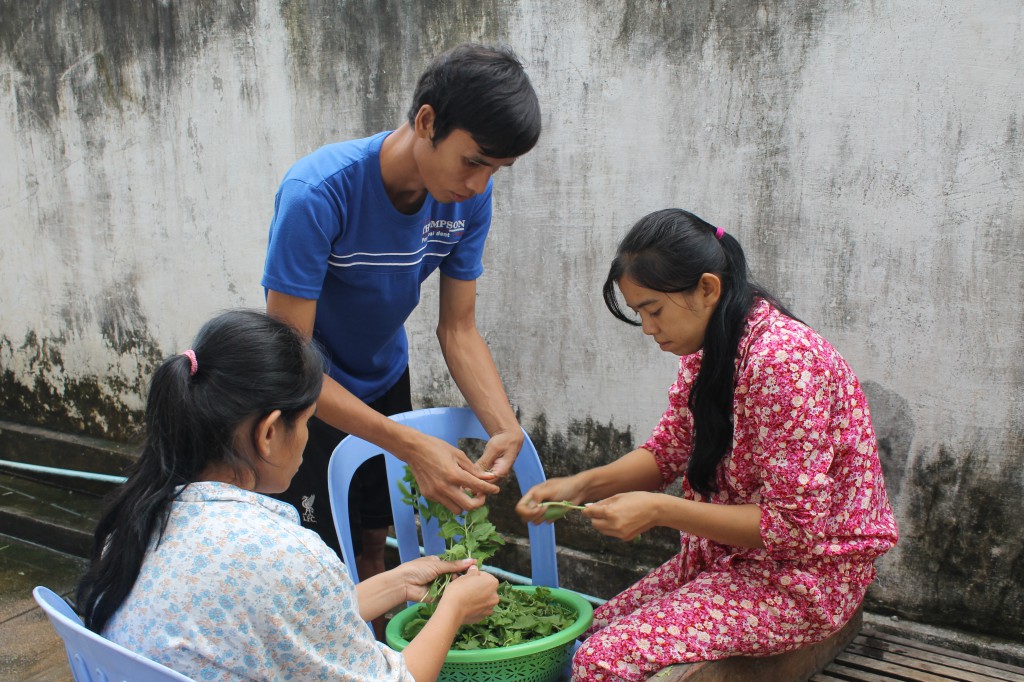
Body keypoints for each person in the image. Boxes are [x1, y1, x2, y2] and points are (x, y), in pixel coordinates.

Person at [517, 209, 898, 681]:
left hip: (806, 579)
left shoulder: (783, 363)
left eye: (653, 310)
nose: (649, 329)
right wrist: (580, 485)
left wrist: (659, 510)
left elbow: (792, 530)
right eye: (640, 315)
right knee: (591, 630)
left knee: (602, 660)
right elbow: (666, 453)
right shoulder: (711, 352)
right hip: (733, 561)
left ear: (707, 288)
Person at [261, 43, 541, 610]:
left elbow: (458, 329)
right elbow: (289, 360)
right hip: (310, 391)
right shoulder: (317, 195)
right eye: (473, 161)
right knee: (322, 554)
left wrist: (505, 427)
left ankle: (383, 654)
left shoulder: (466, 202)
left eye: (496, 171)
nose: (480, 184)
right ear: (427, 121)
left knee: (374, 539)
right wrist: (412, 445)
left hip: (385, 373)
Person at [76, 310, 499, 682]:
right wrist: (454, 610)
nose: (308, 438)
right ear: (269, 432)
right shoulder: (286, 555)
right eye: (308, 422)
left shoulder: (133, 523)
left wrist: (398, 582)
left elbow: (285, 620)